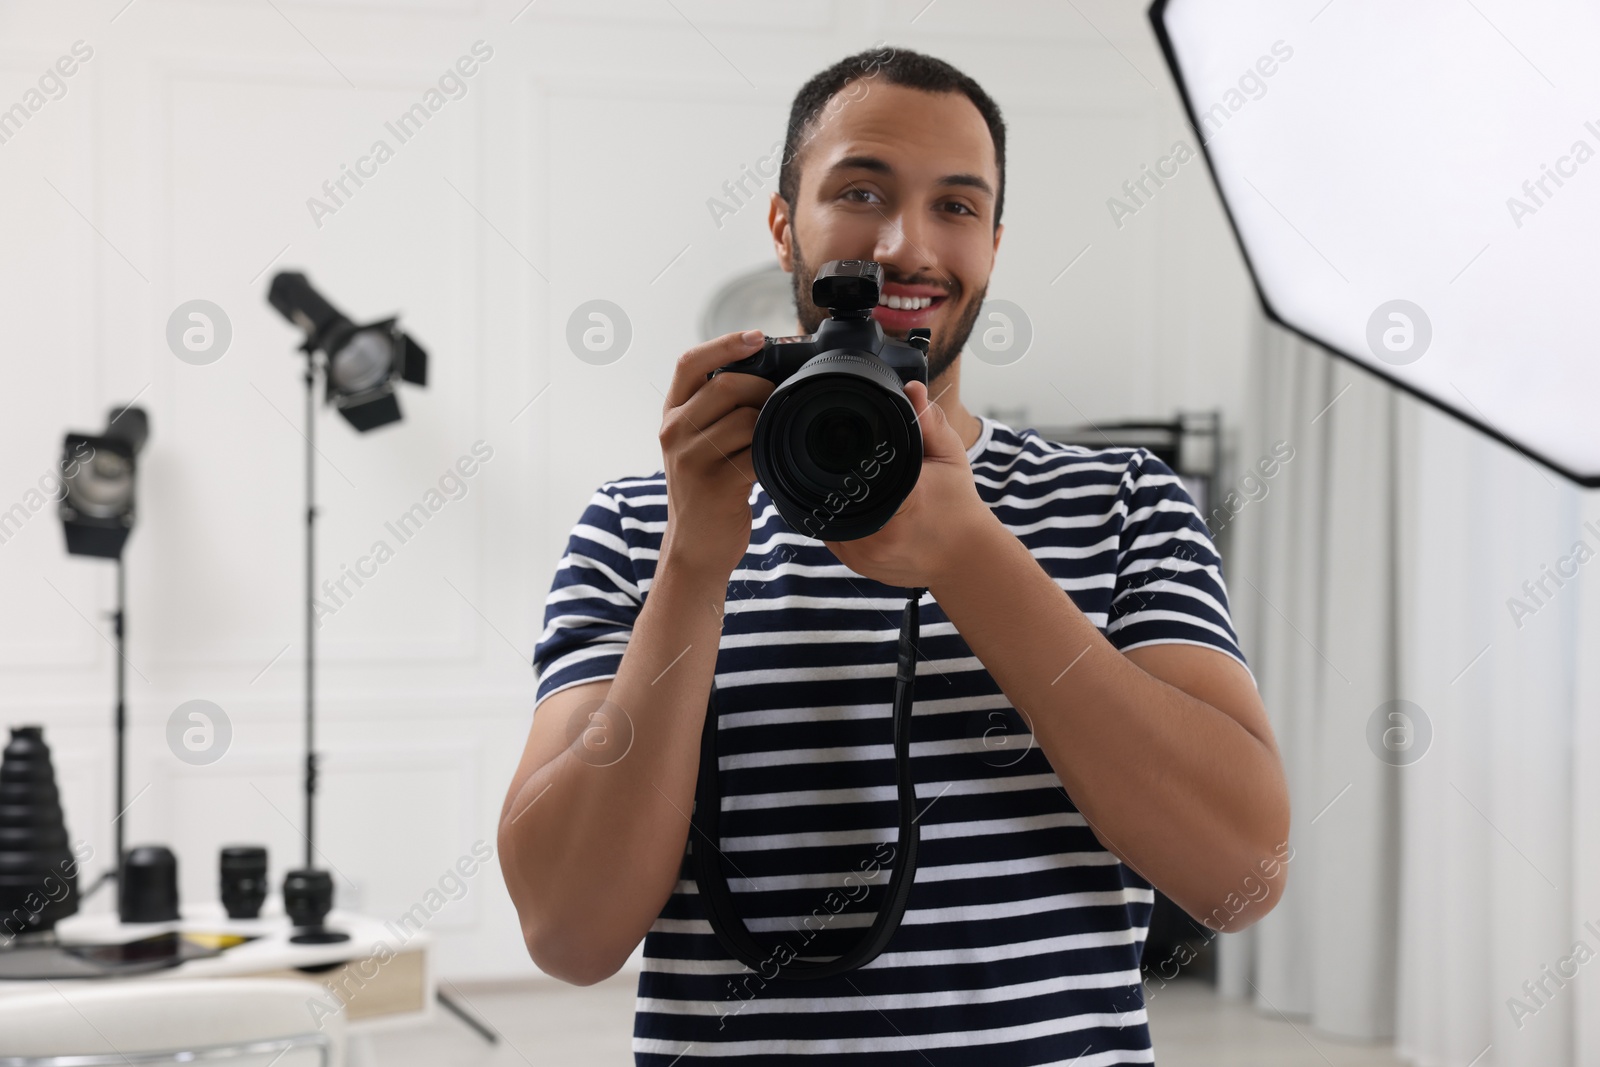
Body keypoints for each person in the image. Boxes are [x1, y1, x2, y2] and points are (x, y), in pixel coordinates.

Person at [499, 46, 1290, 1065]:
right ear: (785, 222)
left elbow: (1240, 875)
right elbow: (569, 929)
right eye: (861, 191)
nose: (907, 244)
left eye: (957, 207)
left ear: (995, 244)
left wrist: (968, 557)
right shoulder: (636, 526)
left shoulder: (1123, 504)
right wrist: (695, 564)